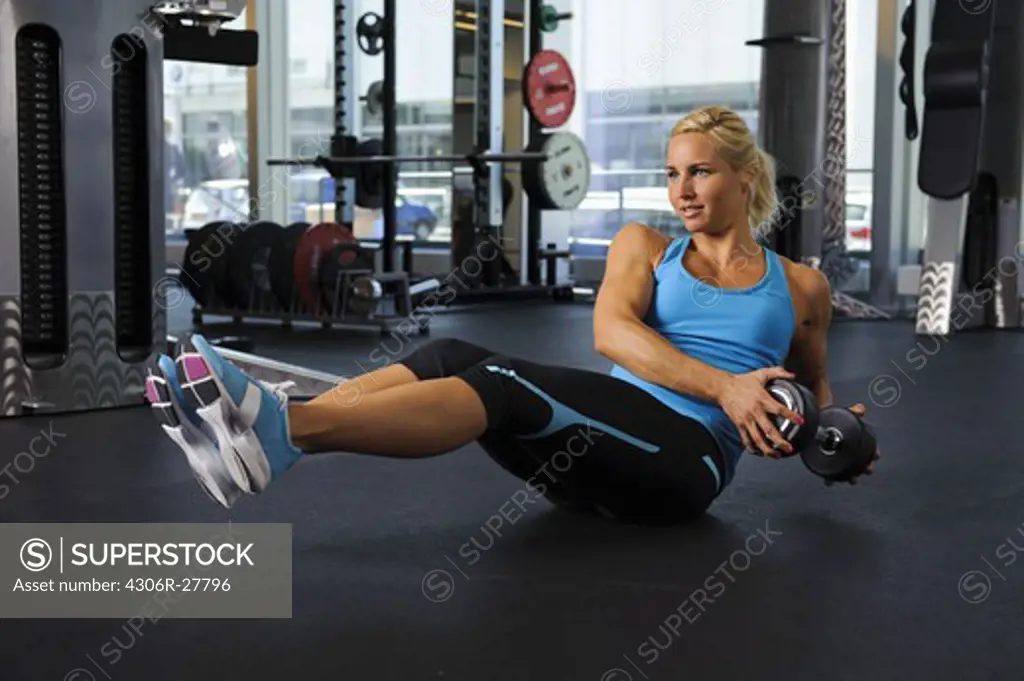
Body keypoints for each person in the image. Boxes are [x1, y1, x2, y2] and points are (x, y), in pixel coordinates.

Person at [147, 105, 880, 524]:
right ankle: (259, 428)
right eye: (671, 173)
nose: (682, 190)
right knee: (450, 355)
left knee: (500, 384)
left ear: (744, 177)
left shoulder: (802, 286)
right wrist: (726, 384)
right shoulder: (645, 247)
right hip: (605, 439)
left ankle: (282, 430)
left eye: (700, 171)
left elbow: (811, 393)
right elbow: (611, 333)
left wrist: (834, 439)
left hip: (685, 466)